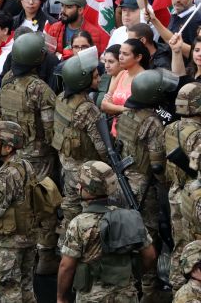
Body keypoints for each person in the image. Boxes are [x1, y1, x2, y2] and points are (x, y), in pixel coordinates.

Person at [0, 32, 61, 273]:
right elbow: (50, 127)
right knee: (44, 201)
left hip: (15, 152)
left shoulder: (7, 80)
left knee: (19, 199)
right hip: (38, 155)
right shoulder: (40, 89)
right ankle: (44, 254)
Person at [57, 161, 157, 303]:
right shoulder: (130, 218)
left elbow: (66, 266)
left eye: (82, 184)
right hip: (126, 294)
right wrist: (132, 275)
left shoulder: (78, 223)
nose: (78, 187)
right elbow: (150, 256)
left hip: (91, 296)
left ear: (90, 190)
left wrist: (61, 297)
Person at [115, 68, 177, 290]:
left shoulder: (125, 115)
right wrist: (167, 184)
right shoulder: (152, 122)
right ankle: (149, 287)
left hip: (123, 181)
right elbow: (157, 163)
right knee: (148, 235)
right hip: (143, 185)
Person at [0, 121, 42, 303]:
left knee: (7, 288)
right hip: (28, 237)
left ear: (8, 147)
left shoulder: (7, 175)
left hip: (9, 242)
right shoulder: (26, 164)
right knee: (26, 286)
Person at [52, 49, 109, 243]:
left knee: (70, 204)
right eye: (94, 76)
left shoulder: (62, 98)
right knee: (84, 211)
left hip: (66, 164)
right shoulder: (87, 108)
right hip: (85, 168)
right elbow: (102, 146)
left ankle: (63, 244)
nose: (99, 78)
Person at [166, 84, 201, 290]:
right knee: (194, 245)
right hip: (194, 195)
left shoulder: (171, 127)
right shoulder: (197, 134)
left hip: (176, 191)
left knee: (179, 243)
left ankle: (176, 286)